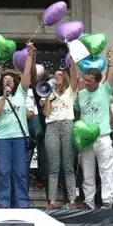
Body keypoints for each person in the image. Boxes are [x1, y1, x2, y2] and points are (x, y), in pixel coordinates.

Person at [73, 45, 113, 210]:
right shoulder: (81, 94)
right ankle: (89, 201)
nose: (85, 83)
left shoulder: (105, 89)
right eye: (84, 80)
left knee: (106, 171)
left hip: (103, 137)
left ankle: (107, 201)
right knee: (88, 173)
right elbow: (78, 112)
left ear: (98, 81)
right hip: (86, 138)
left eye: (89, 81)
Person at [0, 42, 35, 208]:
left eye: (11, 80)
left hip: (19, 139)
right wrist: (3, 96)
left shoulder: (21, 95)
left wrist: (29, 55)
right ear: (1, 84)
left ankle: (22, 203)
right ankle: (3, 204)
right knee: (3, 172)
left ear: (15, 83)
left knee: (20, 173)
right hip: (2, 139)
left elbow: (27, 72)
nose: (8, 81)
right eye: (5, 80)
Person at [41, 61, 78, 209]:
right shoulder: (46, 93)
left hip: (67, 125)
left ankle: (72, 200)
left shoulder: (70, 91)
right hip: (52, 126)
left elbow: (75, 75)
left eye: (60, 75)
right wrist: (49, 94)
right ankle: (52, 200)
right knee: (54, 167)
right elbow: (45, 113)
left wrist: (73, 59)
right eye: (55, 75)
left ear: (65, 77)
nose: (57, 77)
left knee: (68, 166)